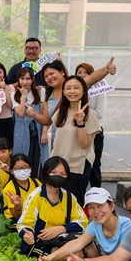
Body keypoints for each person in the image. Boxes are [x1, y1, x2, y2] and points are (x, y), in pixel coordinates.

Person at [34, 75, 100, 205]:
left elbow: (85, 144)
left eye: (76, 88)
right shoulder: (61, 112)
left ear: (83, 90)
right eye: (68, 88)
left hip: (76, 168)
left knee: (73, 204)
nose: (72, 91)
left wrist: (80, 123)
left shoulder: (91, 115)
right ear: (63, 91)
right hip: (57, 167)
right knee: (53, 203)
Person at [40, 57, 116, 164]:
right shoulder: (48, 95)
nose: (49, 77)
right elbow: (47, 120)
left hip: (77, 143)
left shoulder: (73, 86)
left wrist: (106, 69)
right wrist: (33, 114)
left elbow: (92, 78)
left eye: (51, 73)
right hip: (58, 142)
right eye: (46, 76)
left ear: (62, 72)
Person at [15, 156, 87, 257]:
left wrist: (62, 229)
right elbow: (24, 224)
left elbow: (82, 222)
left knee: (90, 250)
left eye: (63, 174)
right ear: (45, 173)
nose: (58, 176)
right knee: (75, 254)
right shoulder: (35, 196)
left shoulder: (69, 197)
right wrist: (28, 234)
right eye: (53, 172)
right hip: (39, 243)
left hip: (62, 239)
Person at [10, 67, 48, 176]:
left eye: (28, 79)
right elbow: (21, 113)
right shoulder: (14, 94)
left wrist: (44, 132)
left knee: (38, 158)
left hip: (38, 130)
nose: (25, 82)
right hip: (21, 131)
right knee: (22, 158)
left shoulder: (40, 91)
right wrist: (23, 95)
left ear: (32, 79)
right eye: (22, 78)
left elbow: (45, 114)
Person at [76, 62, 106, 187]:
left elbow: (100, 114)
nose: (83, 75)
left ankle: (96, 191)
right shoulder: (75, 91)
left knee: (94, 162)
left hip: (94, 131)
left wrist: (84, 111)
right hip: (78, 130)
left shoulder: (99, 91)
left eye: (86, 73)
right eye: (79, 73)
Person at [0, 153, 39, 222]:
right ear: (11, 170)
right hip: (15, 221)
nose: (22, 171)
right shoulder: (8, 190)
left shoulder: (37, 183)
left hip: (34, 217)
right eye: (18, 168)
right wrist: (17, 205)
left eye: (25, 167)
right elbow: (16, 216)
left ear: (30, 168)